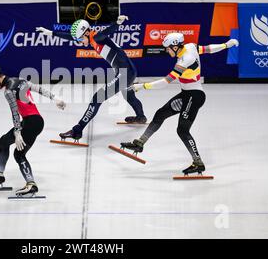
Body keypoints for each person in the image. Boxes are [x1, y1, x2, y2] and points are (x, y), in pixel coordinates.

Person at [121, 33, 238, 175]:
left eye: (168, 48)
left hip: (194, 97)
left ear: (176, 46)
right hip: (186, 95)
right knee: (160, 114)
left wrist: (142, 86)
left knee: (182, 130)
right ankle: (139, 143)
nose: (166, 51)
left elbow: (165, 82)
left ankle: (198, 163)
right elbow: (209, 49)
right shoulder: (191, 47)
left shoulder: (184, 61)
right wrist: (226, 45)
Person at [36, 16, 146, 141]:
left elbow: (106, 32)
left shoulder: (96, 37)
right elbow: (71, 37)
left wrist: (117, 23)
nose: (80, 42)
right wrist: (51, 33)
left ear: (87, 33)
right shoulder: (89, 37)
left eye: (80, 39)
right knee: (129, 96)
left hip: (125, 73)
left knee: (97, 98)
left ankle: (77, 130)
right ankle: (141, 117)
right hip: (128, 72)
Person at [0, 63, 66, 195]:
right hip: (35, 121)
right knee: (4, 141)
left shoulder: (8, 91)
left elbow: (14, 112)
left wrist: (17, 132)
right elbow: (39, 89)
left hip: (30, 123)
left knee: (19, 154)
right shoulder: (19, 80)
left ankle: (31, 184)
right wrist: (55, 98)